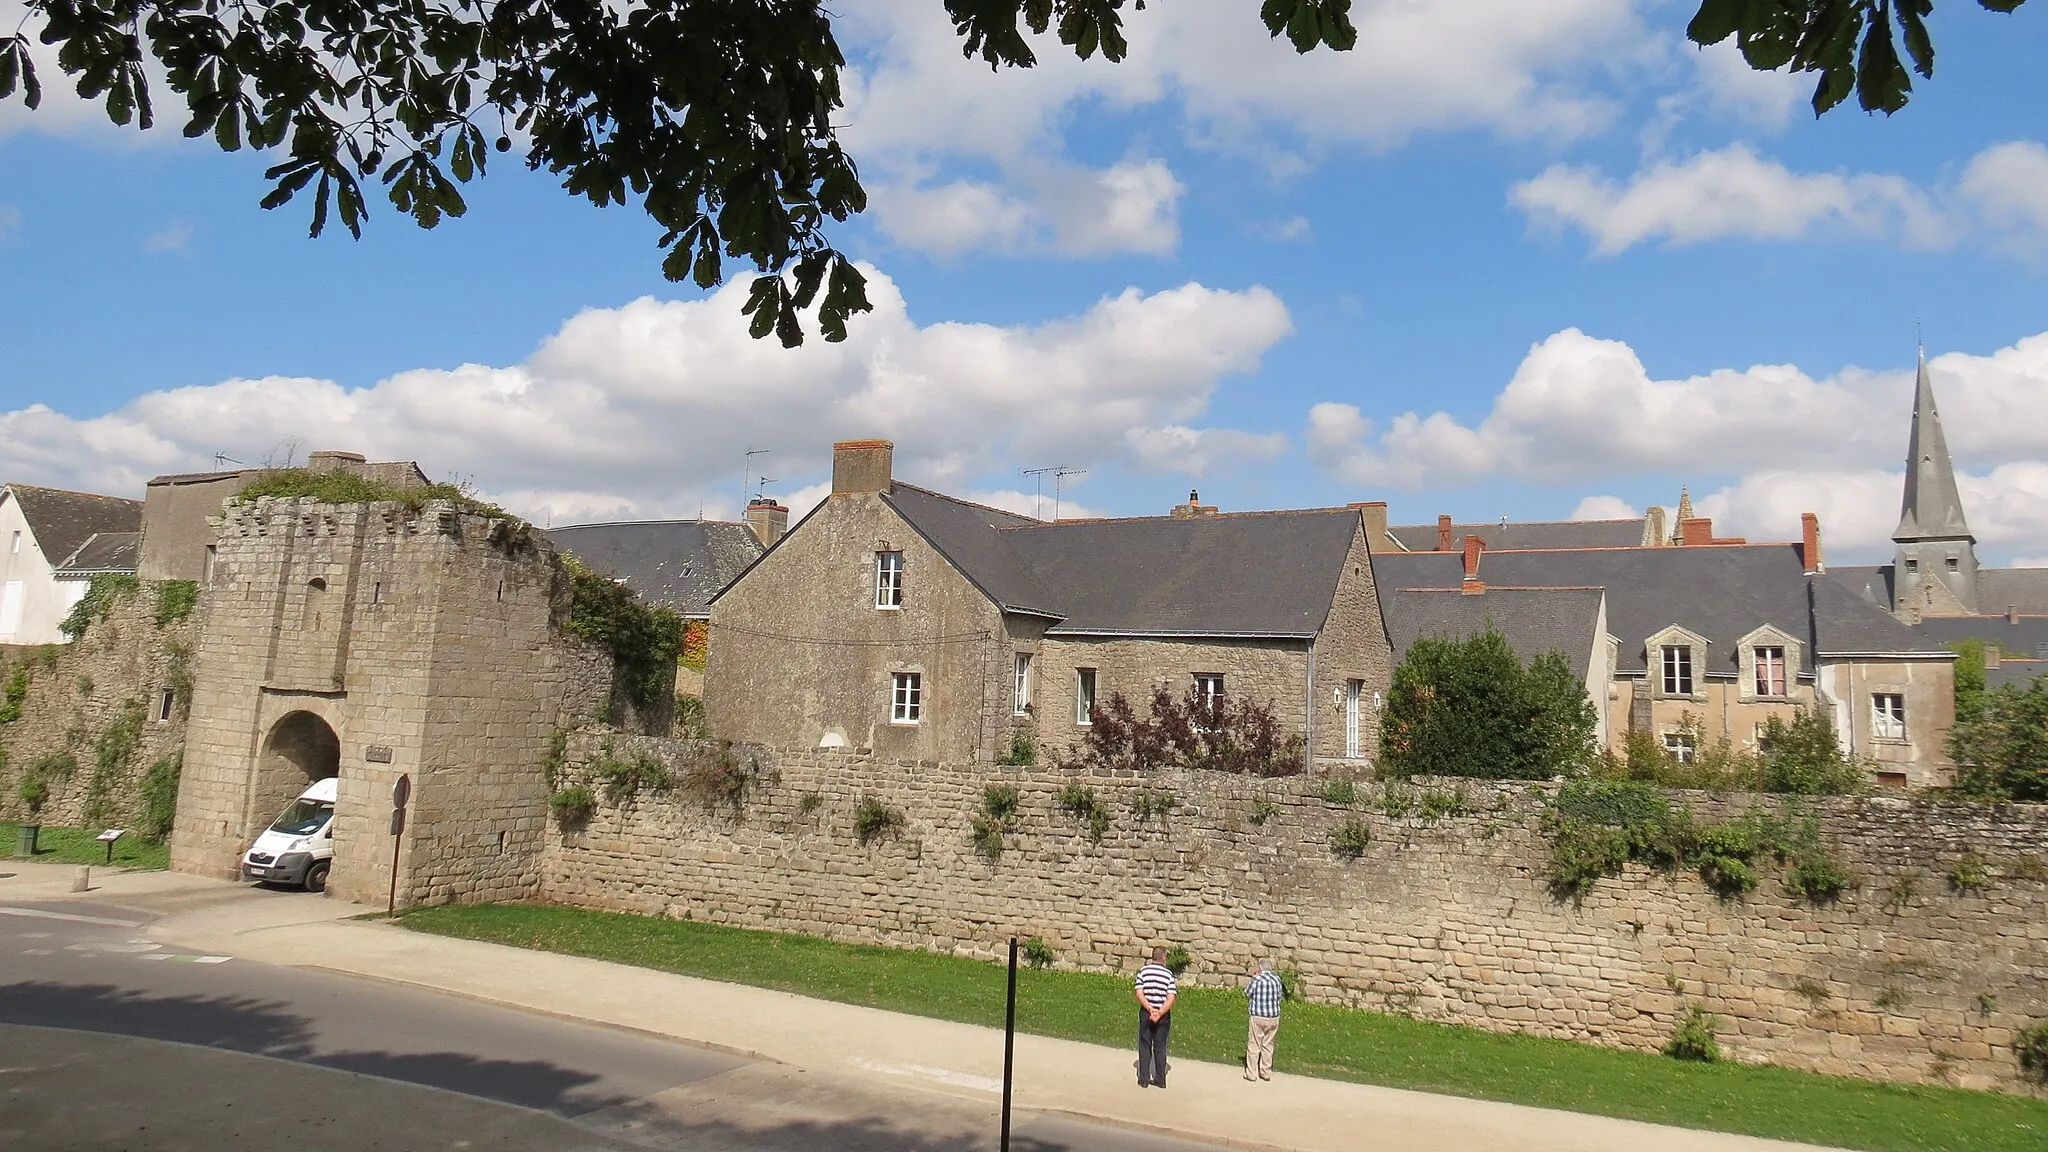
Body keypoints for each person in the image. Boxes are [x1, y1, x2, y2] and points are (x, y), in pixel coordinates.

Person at [1133, 946, 1177, 1088]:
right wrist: (1160, 1011)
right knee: (1160, 1046)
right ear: (1163, 958)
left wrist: (1150, 1009)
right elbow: (1171, 997)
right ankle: (1160, 1079)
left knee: (1145, 1044)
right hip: (1163, 1015)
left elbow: (1139, 993)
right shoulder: (1168, 975)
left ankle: (1144, 1079)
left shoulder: (1143, 972)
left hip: (1146, 1012)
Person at [1244, 960, 1283, 1081]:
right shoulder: (1277, 979)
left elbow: (1247, 993)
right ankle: (1265, 1072)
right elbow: (1279, 996)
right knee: (1268, 1044)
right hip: (1273, 1017)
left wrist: (1254, 977)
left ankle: (1251, 1073)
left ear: (1260, 968)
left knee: (1254, 1044)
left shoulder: (1257, 979)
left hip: (1258, 1016)